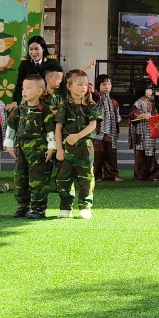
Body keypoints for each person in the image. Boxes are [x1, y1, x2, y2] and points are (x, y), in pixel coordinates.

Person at [6, 75, 56, 219]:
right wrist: (9, 144)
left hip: (39, 150)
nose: (24, 91)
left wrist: (51, 147)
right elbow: (11, 127)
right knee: (20, 178)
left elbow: (50, 130)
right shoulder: (19, 110)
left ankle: (38, 208)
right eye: (23, 88)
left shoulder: (45, 110)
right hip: (21, 149)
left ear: (39, 91)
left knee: (38, 179)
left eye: (28, 88)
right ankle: (23, 206)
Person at [55, 69, 101, 218]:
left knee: (86, 178)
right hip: (66, 148)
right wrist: (59, 149)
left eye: (86, 84)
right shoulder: (64, 106)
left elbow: (93, 125)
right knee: (63, 178)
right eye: (79, 84)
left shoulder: (91, 105)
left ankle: (85, 207)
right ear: (69, 86)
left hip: (85, 148)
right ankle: (65, 207)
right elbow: (58, 127)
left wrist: (77, 136)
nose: (83, 87)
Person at [11, 35, 61, 106]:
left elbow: (60, 81)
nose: (33, 52)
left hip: (50, 98)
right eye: (31, 49)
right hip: (33, 98)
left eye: (36, 49)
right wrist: (15, 101)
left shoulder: (52, 61)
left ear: (43, 49)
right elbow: (20, 83)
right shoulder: (25, 62)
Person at [91, 74, 122, 182]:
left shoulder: (113, 102)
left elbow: (117, 118)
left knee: (111, 153)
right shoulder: (97, 98)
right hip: (98, 131)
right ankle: (96, 175)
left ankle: (112, 174)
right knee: (98, 154)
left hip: (110, 131)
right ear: (98, 86)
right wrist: (92, 91)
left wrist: (117, 131)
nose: (107, 86)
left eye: (109, 84)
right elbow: (95, 95)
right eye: (104, 84)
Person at [129, 81, 159, 181]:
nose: (151, 91)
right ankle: (139, 175)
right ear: (141, 90)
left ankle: (153, 175)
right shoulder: (136, 104)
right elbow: (131, 115)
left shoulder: (152, 104)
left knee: (151, 153)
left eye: (151, 89)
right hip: (140, 132)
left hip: (150, 132)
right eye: (148, 89)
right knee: (140, 155)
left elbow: (156, 115)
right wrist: (141, 115)